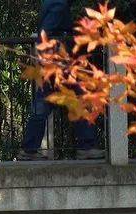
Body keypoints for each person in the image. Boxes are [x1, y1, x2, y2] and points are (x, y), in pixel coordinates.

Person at [19, 0, 104, 160]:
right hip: (58, 63)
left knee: (44, 102)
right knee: (77, 100)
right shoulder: (58, 3)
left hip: (54, 62)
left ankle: (29, 149)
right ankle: (86, 146)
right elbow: (47, 33)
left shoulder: (52, 2)